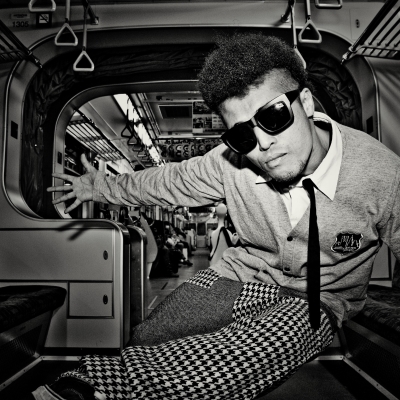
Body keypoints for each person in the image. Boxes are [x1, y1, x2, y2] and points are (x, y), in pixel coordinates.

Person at [34, 32, 400, 400]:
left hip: (316, 299)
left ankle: (86, 388)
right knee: (149, 337)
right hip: (236, 276)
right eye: (243, 135)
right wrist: (101, 188)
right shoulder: (230, 165)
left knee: (242, 357)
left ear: (304, 101)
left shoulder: (382, 176)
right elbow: (170, 181)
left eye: (273, 116)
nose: (263, 145)